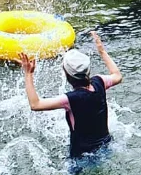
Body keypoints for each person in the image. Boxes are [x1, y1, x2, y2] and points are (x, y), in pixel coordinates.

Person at [19, 32, 123, 163]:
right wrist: (101, 51)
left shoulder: (70, 99)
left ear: (66, 74)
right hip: (106, 147)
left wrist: (28, 74)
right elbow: (117, 76)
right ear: (88, 71)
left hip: (82, 157)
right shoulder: (100, 82)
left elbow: (35, 105)